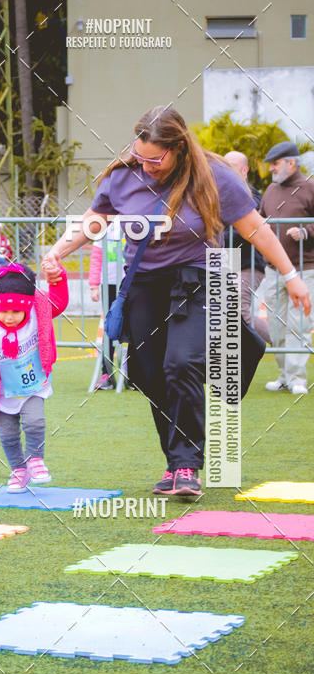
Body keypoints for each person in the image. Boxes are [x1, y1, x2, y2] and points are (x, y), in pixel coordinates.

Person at [41, 106, 311, 497]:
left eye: (154, 158)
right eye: (140, 156)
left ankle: (187, 466)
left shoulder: (214, 177)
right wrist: (56, 252)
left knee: (180, 363)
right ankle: (174, 462)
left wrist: (291, 275)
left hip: (199, 280)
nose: (146, 165)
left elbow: (255, 229)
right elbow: (94, 221)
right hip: (144, 283)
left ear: (178, 147)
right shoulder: (124, 177)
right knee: (149, 374)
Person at [0, 263, 69, 492]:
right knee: (8, 434)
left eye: (16, 312)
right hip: (3, 392)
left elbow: (58, 303)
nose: (9, 318)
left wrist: (57, 279)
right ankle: (19, 470)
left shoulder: (36, 316)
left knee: (35, 421)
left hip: (33, 386)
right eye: (4, 312)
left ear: (27, 308)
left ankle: (35, 459)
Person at [259, 141, 314, 395]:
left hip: (305, 271)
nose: (271, 168)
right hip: (273, 271)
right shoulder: (270, 190)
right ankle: (283, 376)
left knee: (299, 323)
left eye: (276, 163)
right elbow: (259, 222)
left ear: (292, 163)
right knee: (276, 325)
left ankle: (297, 378)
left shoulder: (310, 188)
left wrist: (305, 231)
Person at [222, 151, 270, 342]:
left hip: (248, 263)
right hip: (224, 263)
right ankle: (279, 341)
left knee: (239, 307)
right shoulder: (217, 194)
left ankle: (269, 344)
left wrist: (221, 233)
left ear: (245, 170)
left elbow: (246, 227)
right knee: (228, 310)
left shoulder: (252, 194)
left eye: (231, 166)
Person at [88, 223, 122, 389]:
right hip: (108, 283)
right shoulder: (104, 228)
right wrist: (94, 285)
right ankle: (106, 372)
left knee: (137, 325)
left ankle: (136, 371)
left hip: (133, 282)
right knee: (110, 326)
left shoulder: (136, 220)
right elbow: (96, 258)